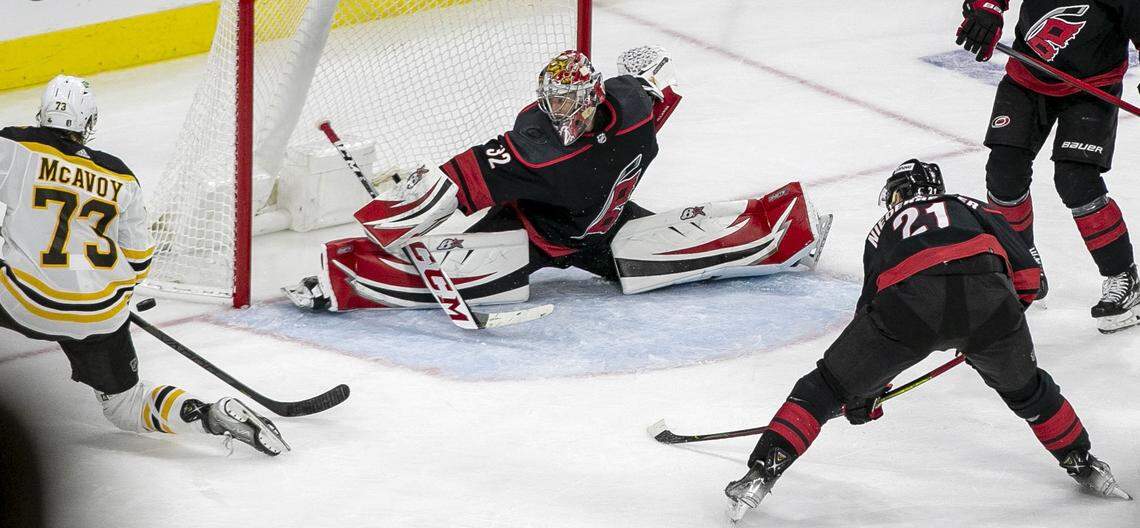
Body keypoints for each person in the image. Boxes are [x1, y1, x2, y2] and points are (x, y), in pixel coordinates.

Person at [723, 160, 1130, 523]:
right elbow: (1032, 281)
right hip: (991, 309)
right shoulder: (972, 207)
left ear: (898, 194)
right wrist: (991, 330)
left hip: (910, 309)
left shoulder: (883, 228)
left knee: (822, 389)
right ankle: (1085, 464)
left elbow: (873, 309)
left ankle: (759, 476)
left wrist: (864, 392)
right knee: (1031, 392)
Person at [285, 47, 831, 313]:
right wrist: (395, 214)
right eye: (551, 99)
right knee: (455, 271)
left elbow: (645, 86)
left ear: (593, 96)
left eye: (568, 98)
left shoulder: (632, 107)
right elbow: (453, 183)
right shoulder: (535, 142)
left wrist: (645, 72)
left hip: (599, 229)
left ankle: (782, 237)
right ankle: (337, 283)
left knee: (663, 264)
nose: (556, 108)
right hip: (535, 231)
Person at [0, 75, 288, 456]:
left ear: (42, 113)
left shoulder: (16, 146)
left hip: (25, 299)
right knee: (124, 405)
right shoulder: (120, 175)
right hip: (104, 311)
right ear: (89, 124)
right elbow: (137, 260)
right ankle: (206, 415)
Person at [956, 0, 1140, 332]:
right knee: (1003, 173)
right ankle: (1022, 264)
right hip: (1028, 77)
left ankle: (1122, 276)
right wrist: (985, 9)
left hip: (1092, 88)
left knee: (1076, 180)